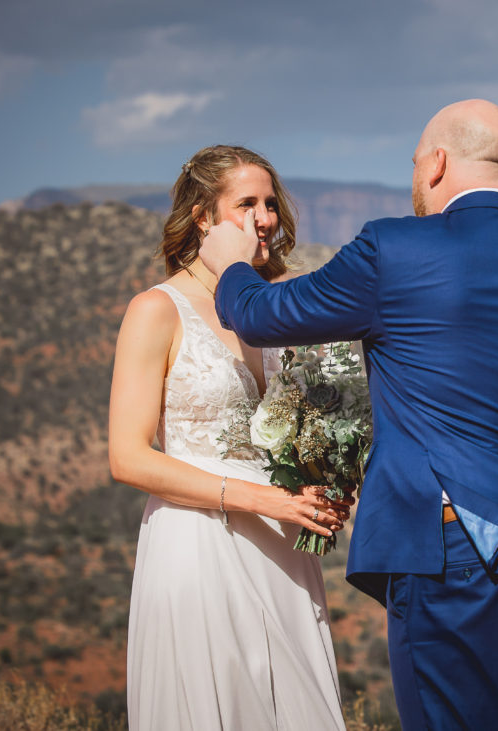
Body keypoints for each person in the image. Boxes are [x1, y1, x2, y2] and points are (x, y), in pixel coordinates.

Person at [199, 99, 498, 730]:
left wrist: (231, 263)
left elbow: (264, 317)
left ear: (436, 164)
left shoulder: (394, 249)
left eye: (413, 164)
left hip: (456, 557)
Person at [108, 145, 349, 730]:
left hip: (284, 550)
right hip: (199, 544)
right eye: (246, 203)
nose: (264, 217)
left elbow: (317, 424)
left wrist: (332, 478)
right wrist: (262, 499)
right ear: (202, 218)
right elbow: (128, 457)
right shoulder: (155, 310)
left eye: (270, 203)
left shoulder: (282, 308)